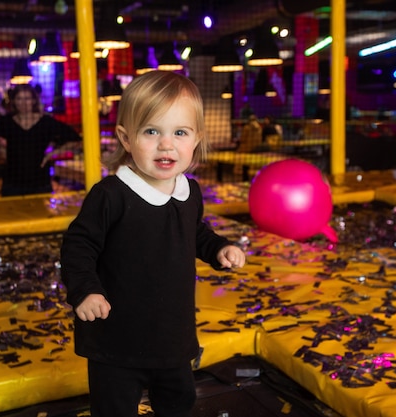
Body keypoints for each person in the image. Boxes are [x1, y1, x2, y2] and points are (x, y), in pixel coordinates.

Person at [60, 70, 246, 417]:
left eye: (179, 132)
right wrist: (85, 291)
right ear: (126, 138)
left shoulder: (188, 191)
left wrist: (218, 249)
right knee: (114, 410)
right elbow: (78, 246)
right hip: (115, 340)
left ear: (196, 139)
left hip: (171, 336)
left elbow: (195, 232)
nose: (166, 144)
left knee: (177, 404)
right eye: (151, 131)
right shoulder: (111, 195)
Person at [0, 84, 81, 196]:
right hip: (12, 182)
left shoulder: (46, 122)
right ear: (14, 101)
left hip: (40, 182)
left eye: (27, 98)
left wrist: (51, 154)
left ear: (34, 101)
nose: (23, 103)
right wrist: (4, 151)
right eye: (19, 98)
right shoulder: (7, 122)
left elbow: (75, 140)